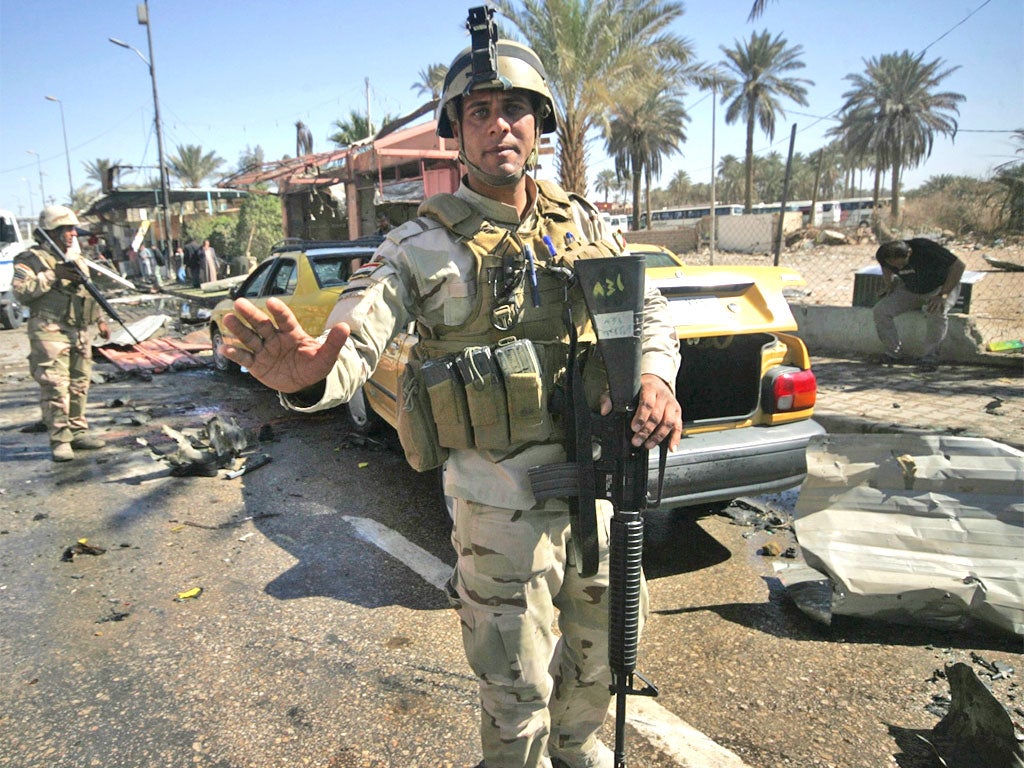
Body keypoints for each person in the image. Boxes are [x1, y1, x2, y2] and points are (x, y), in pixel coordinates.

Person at [221, 34, 681, 768]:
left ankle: (576, 749)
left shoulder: (586, 224)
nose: (501, 125)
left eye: (517, 111)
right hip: (498, 497)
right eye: (481, 112)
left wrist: (656, 378)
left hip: (599, 481)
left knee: (605, 653)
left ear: (540, 127)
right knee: (514, 677)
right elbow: (358, 333)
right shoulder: (418, 246)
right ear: (457, 131)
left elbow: (648, 312)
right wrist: (309, 374)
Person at [12, 206, 110, 462]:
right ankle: (60, 439)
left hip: (78, 330)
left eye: (72, 229)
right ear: (51, 232)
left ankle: (77, 431)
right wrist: (52, 275)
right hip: (49, 330)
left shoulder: (75, 259)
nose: (72, 234)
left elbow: (88, 292)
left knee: (80, 384)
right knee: (55, 387)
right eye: (66, 229)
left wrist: (100, 319)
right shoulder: (30, 259)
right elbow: (21, 293)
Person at [873, 238, 966, 370]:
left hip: (941, 287)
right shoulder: (883, 254)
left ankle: (930, 356)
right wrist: (889, 285)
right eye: (896, 266)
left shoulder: (925, 248)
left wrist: (942, 295)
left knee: (935, 311)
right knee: (881, 310)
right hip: (910, 289)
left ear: (909, 253)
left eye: (901, 265)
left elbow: (959, 266)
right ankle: (893, 352)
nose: (899, 269)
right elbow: (885, 267)